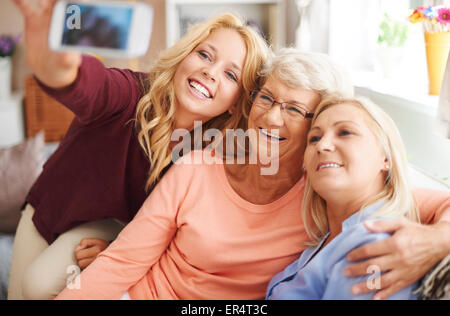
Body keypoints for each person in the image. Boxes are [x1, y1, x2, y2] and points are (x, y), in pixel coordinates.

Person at [55, 48, 450, 300]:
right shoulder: (198, 167)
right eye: (267, 98)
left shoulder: (330, 186)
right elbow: (123, 262)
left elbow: (432, 202)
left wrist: (434, 242)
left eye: (294, 110)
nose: (271, 116)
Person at [8, 0, 270, 300]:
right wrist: (59, 55)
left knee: (38, 285)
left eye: (231, 75)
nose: (210, 72)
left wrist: (122, 256)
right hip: (52, 209)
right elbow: (81, 82)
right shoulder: (129, 94)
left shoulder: (216, 153)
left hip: (117, 227)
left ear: (236, 101)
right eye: (204, 55)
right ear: (185, 55)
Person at [266, 96, 441, 299]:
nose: (322, 145)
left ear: (386, 158)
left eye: (345, 132)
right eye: (314, 138)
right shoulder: (326, 240)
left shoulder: (376, 245)